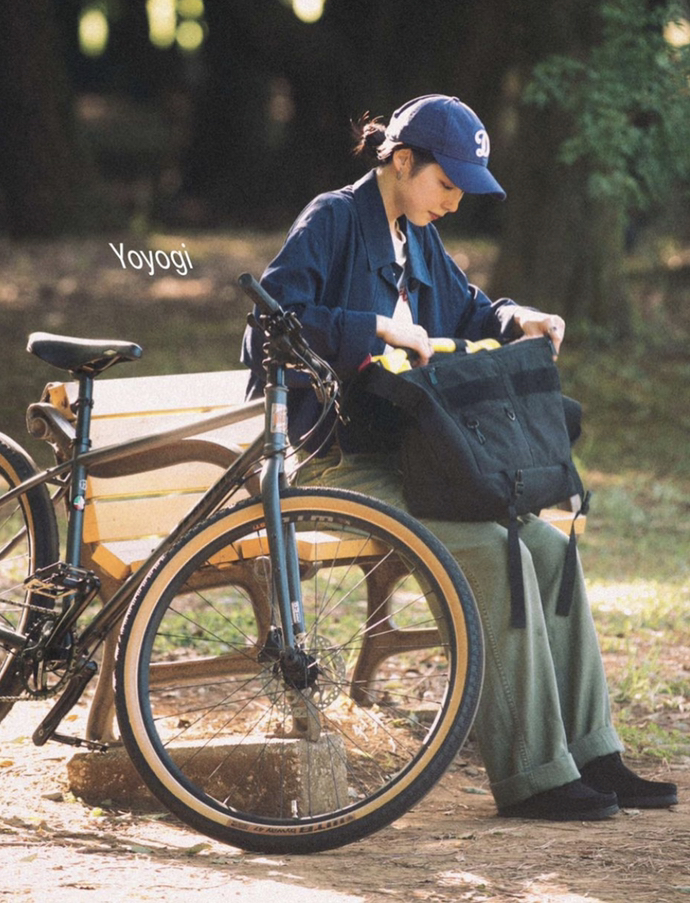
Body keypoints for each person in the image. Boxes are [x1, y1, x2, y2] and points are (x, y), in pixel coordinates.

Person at [242, 94, 678, 820]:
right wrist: (372, 325)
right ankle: (537, 775)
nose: (452, 202)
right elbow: (268, 324)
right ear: (402, 161)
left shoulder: (414, 236)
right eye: (447, 184)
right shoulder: (335, 219)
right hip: (325, 459)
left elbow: (470, 308)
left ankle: (592, 749)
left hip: (401, 458)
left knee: (543, 546)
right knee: (489, 549)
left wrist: (516, 318)